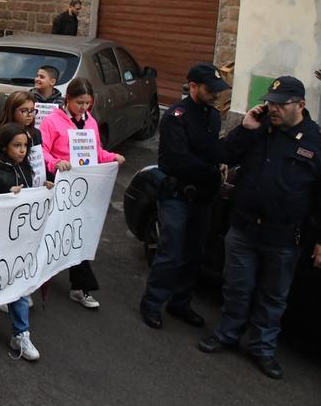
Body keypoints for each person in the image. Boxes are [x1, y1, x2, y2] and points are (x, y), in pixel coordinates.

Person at [198, 76, 321, 380]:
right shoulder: (259, 129)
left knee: (273, 296)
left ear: (301, 105)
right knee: (236, 287)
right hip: (244, 228)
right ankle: (227, 334)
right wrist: (245, 127)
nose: (273, 108)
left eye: (281, 104)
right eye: (270, 102)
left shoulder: (315, 140)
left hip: (283, 236)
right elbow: (222, 154)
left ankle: (262, 349)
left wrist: (319, 238)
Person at [140, 63, 230, 330]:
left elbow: (213, 150)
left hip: (202, 198)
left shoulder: (212, 116)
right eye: (210, 89)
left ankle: (180, 304)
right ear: (193, 87)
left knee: (194, 254)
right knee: (170, 254)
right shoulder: (176, 117)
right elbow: (179, 161)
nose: (216, 95)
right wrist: (212, 170)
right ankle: (152, 304)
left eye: (218, 90)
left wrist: (221, 161)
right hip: (177, 196)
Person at [40, 78, 125, 308]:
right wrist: (56, 163)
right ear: (68, 99)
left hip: (82, 188)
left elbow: (96, 151)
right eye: (80, 103)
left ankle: (80, 287)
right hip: (59, 185)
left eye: (88, 103)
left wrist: (112, 157)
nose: (84, 108)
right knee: (51, 234)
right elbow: (42, 152)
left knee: (77, 234)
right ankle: (36, 283)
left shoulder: (91, 123)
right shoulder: (51, 121)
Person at [0, 124, 41, 362]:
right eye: (16, 146)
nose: (22, 150)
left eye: (25, 146)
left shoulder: (26, 168)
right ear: (4, 147)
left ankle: (20, 333)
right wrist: (7, 196)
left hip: (20, 240)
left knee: (20, 283)